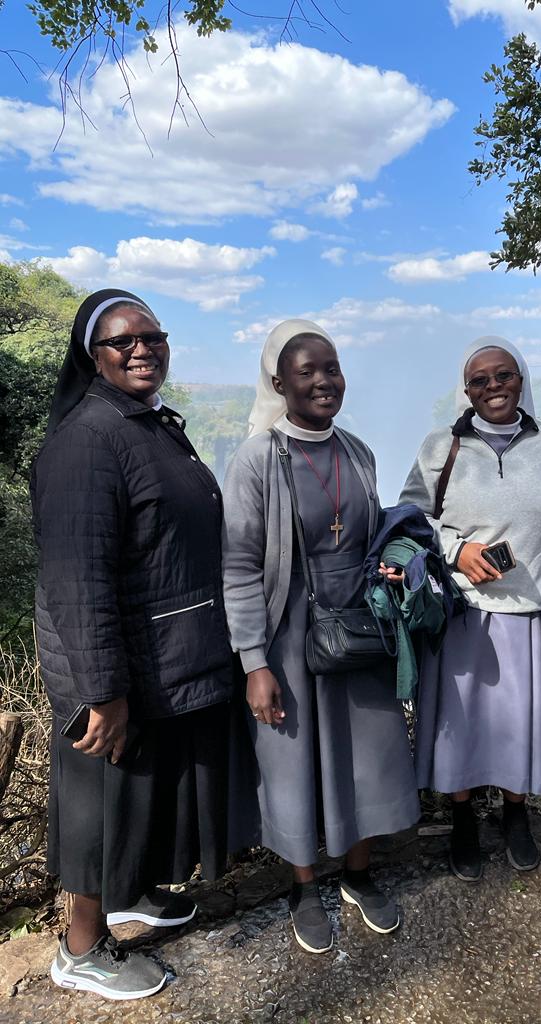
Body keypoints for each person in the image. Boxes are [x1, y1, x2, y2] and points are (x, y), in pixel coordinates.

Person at [32, 289, 233, 1000]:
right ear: (95, 357)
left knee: (138, 801)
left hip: (157, 654)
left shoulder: (145, 424)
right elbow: (77, 578)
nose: (142, 347)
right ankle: (81, 948)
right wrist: (101, 693)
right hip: (113, 668)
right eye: (123, 340)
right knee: (103, 806)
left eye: (153, 335)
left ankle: (132, 895)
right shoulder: (88, 441)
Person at [222, 319, 420, 955]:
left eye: (331, 368)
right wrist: (254, 661)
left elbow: (368, 535)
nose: (323, 382)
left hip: (359, 627)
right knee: (293, 760)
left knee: (367, 751)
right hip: (289, 631)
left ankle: (358, 874)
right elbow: (240, 564)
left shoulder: (357, 451)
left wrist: (392, 561)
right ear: (279, 384)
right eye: (306, 372)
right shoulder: (259, 457)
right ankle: (305, 886)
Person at [399, 336, 541, 882]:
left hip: (526, 612)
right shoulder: (442, 447)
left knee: (514, 725)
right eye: (479, 380)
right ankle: (461, 821)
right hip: (462, 610)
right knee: (462, 725)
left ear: (521, 380)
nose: (492, 387)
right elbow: (410, 518)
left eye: (502, 376)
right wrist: (459, 550)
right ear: (467, 391)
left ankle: (515, 815)